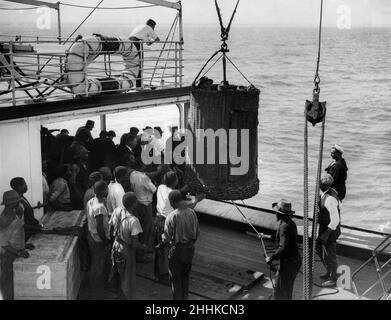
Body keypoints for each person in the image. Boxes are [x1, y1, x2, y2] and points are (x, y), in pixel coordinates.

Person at [154, 171, 204, 282]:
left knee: (161, 249)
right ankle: (164, 274)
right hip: (167, 222)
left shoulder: (161, 188)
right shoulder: (174, 195)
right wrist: (197, 199)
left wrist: (183, 189)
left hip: (158, 220)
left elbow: (175, 191)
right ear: (176, 181)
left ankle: (158, 273)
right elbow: (187, 206)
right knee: (168, 249)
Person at [109, 192, 153, 299]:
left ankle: (116, 296)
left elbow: (110, 228)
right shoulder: (134, 221)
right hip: (126, 251)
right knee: (127, 280)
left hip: (115, 246)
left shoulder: (117, 210)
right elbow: (134, 244)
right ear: (134, 204)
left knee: (117, 274)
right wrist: (144, 247)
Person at [159, 190, 199, 300]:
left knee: (176, 280)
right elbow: (197, 233)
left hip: (177, 251)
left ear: (173, 201)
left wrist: (162, 242)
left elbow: (167, 237)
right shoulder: (192, 213)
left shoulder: (171, 216)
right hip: (190, 249)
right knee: (185, 278)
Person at [266, 199, 301, 300]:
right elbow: (284, 238)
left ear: (280, 214)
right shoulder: (289, 223)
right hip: (294, 262)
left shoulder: (284, 227)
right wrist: (267, 236)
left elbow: (283, 248)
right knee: (286, 290)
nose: (275, 214)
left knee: (280, 291)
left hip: (289, 264)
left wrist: (271, 258)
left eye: (276, 212)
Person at [0, 190, 32, 300]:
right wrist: (18, 252)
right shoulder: (4, 220)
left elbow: (16, 232)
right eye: (17, 201)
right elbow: (3, 244)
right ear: (11, 203)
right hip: (7, 255)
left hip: (16, 250)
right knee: (8, 282)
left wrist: (24, 245)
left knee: (17, 281)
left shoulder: (15, 212)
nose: (19, 202)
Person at [86, 181, 111, 296]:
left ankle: (93, 289)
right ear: (102, 191)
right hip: (98, 240)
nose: (108, 190)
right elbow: (100, 227)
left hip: (92, 236)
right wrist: (105, 241)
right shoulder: (99, 207)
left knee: (95, 264)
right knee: (98, 266)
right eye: (106, 189)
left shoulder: (91, 201)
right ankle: (96, 292)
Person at [316, 173, 341, 287]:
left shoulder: (330, 198)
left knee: (331, 254)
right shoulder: (330, 192)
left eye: (319, 183)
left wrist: (326, 234)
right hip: (325, 227)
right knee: (319, 248)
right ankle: (330, 270)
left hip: (330, 229)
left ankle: (334, 278)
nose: (317, 184)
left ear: (323, 185)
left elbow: (335, 219)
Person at [129, 169, 157, 262]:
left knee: (139, 228)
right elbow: (153, 189)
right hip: (145, 205)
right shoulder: (144, 177)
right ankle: (141, 255)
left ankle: (140, 251)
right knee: (146, 230)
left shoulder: (132, 174)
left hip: (137, 204)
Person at [129, 19, 160, 87]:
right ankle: (139, 86)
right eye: (154, 27)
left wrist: (150, 39)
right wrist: (152, 38)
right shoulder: (149, 28)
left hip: (129, 43)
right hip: (137, 43)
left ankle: (132, 83)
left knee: (133, 64)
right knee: (140, 64)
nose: (154, 29)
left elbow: (148, 43)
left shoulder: (141, 27)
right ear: (151, 25)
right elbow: (157, 39)